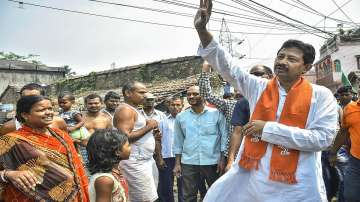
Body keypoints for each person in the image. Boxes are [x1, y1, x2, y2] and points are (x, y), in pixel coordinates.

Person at [194, 1, 338, 201]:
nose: (282, 62)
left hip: (298, 186)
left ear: (305, 67)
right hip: (255, 182)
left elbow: (322, 139)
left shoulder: (321, 95)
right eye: (280, 56)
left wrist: (267, 130)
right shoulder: (259, 87)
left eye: (291, 59)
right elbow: (227, 66)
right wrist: (202, 30)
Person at [0, 95, 89, 201]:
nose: (48, 112)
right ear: (25, 115)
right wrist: (8, 174)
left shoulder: (61, 135)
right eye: (41, 110)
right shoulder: (10, 140)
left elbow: (76, 165)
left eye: (50, 108)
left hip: (74, 195)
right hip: (28, 197)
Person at [173, 85, 228, 202]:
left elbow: (224, 137)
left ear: (203, 95)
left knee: (217, 194)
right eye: (188, 94)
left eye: (195, 94)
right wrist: (177, 163)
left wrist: (223, 159)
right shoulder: (181, 117)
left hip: (213, 162)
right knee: (188, 196)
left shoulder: (217, 114)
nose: (191, 96)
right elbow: (178, 141)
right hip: (189, 162)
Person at [113, 81, 160, 202]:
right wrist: (149, 126)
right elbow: (124, 136)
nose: (145, 95)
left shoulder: (134, 109)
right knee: (143, 199)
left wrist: (151, 134)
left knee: (149, 196)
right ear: (128, 93)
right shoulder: (125, 110)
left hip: (144, 160)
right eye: (141, 92)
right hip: (134, 162)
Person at [225, 64, 273, 172]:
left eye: (259, 74)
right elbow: (237, 132)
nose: (255, 78)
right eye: (251, 75)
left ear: (271, 76)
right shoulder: (243, 102)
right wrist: (230, 160)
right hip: (252, 155)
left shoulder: (284, 98)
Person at [0, 83, 67, 135]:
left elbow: (68, 146)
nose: (29, 102)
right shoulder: (9, 127)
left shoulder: (58, 122)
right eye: (25, 99)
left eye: (34, 98)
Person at [330, 87, 360, 202]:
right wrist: (333, 153)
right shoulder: (350, 109)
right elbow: (343, 131)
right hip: (356, 161)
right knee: (350, 195)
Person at [87, 129, 131, 202]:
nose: (130, 148)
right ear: (117, 152)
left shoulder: (113, 171)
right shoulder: (105, 180)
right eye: (128, 145)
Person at [157, 96, 184, 202]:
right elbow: (158, 140)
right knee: (166, 186)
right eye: (173, 105)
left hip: (184, 157)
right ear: (169, 106)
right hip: (167, 157)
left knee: (183, 185)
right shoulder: (163, 121)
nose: (175, 107)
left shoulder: (187, 120)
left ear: (182, 106)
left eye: (178, 105)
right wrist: (159, 158)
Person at [81, 93, 112, 169]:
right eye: (90, 103)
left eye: (96, 103)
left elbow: (110, 137)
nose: (93, 105)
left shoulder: (106, 118)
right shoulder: (80, 118)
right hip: (83, 152)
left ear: (101, 103)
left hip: (101, 151)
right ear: (86, 104)